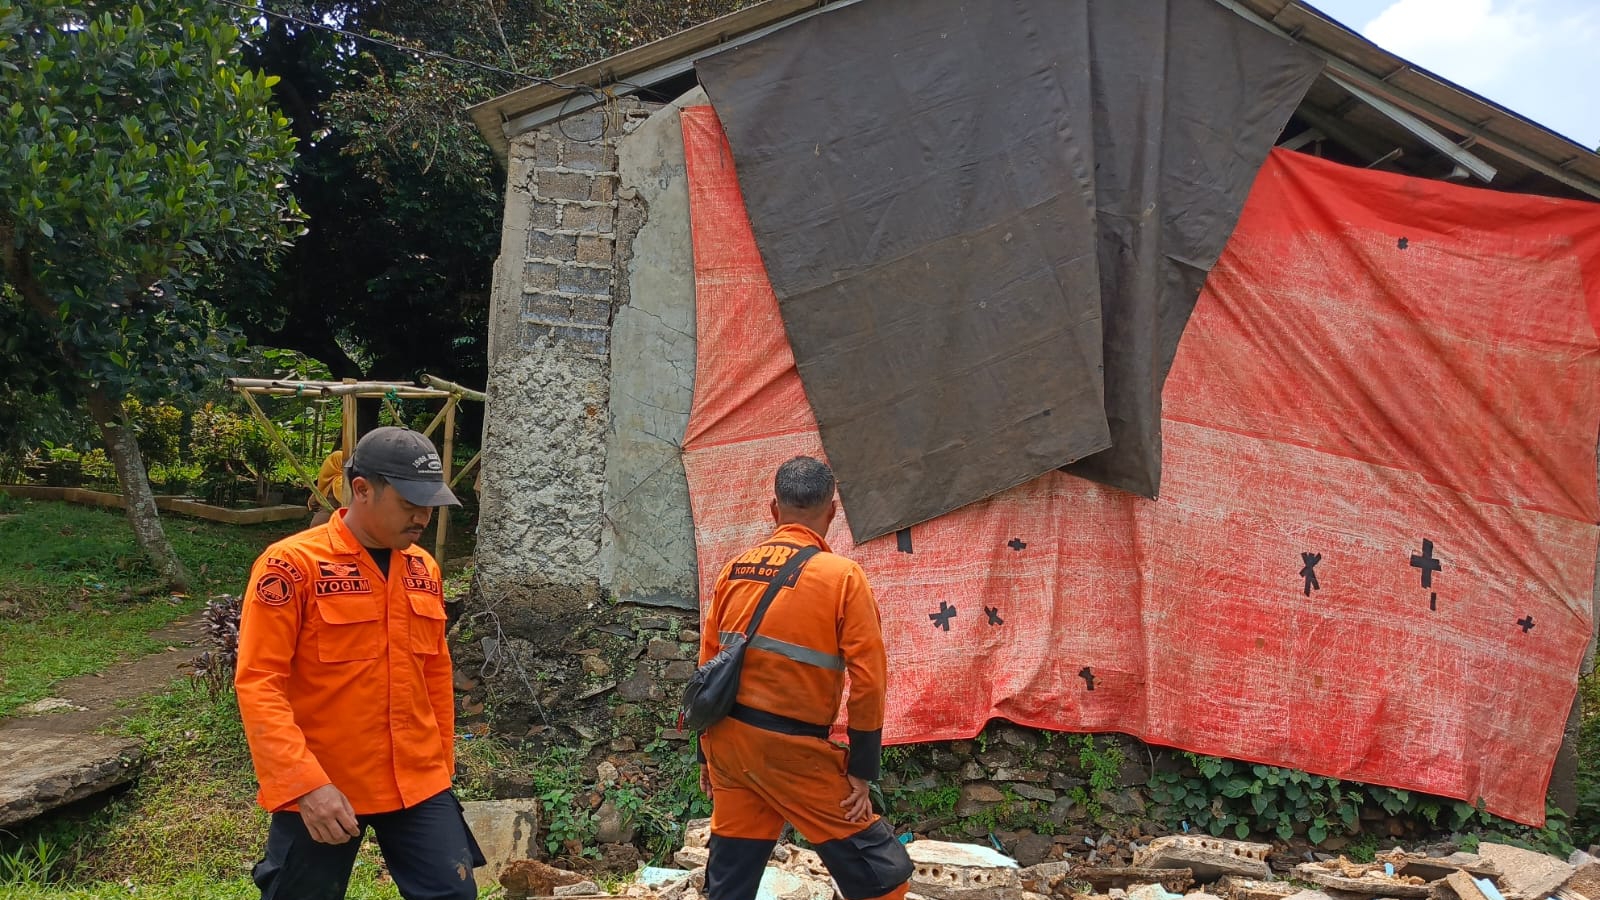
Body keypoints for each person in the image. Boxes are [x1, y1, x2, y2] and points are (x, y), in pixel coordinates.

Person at [236, 426, 482, 900]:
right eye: (410, 503)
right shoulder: (292, 565)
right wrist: (304, 786)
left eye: (430, 504)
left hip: (417, 779)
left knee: (453, 893)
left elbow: (434, 672)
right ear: (363, 489)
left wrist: (441, 765)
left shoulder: (422, 569)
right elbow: (259, 682)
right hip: (325, 781)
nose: (423, 516)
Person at [697, 456, 913, 900]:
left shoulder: (734, 570)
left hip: (729, 745)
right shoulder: (843, 577)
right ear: (832, 511)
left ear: (773, 509)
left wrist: (705, 757)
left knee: (729, 884)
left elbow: (707, 670)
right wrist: (861, 770)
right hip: (791, 752)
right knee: (885, 878)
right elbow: (869, 680)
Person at [307, 447, 347, 528]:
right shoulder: (340, 482)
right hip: (329, 524)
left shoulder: (324, 483)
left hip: (318, 523)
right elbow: (346, 503)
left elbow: (312, 503)